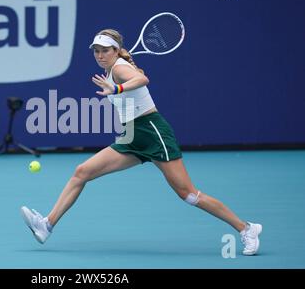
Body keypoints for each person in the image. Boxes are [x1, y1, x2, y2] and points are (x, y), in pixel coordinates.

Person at [21, 29, 262, 256]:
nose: (100, 55)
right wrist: (115, 87)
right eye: (96, 50)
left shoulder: (120, 68)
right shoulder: (114, 68)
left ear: (116, 51)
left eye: (105, 50)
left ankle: (246, 228)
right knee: (82, 172)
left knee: (188, 194)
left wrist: (117, 87)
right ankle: (47, 225)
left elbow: (142, 79)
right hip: (131, 137)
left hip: (152, 132)